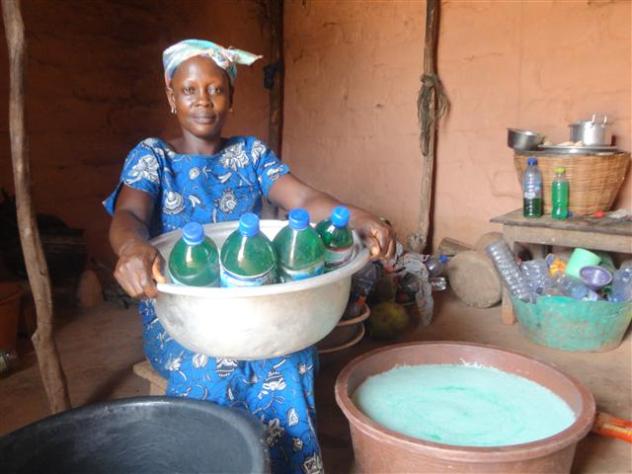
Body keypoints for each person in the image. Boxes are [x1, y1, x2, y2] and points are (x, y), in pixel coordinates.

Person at [104, 39, 395, 474]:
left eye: (216, 89)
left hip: (258, 308)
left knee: (292, 356)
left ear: (231, 96)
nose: (203, 100)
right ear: (171, 96)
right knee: (212, 365)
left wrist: (359, 217)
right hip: (182, 317)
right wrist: (131, 246)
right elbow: (129, 214)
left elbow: (304, 200)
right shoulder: (153, 158)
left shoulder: (250, 155)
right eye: (189, 90)